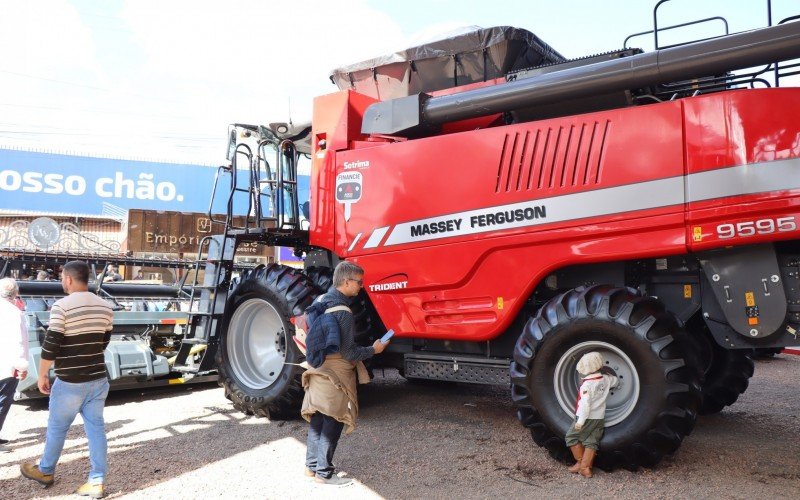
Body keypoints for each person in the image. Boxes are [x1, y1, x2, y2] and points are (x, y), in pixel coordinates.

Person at [20, 261, 114, 498]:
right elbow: (104, 341)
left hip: (71, 381)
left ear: (69, 279)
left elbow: (51, 345)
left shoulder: (61, 307)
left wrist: (42, 374)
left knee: (57, 428)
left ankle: (46, 471)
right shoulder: (105, 306)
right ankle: (96, 481)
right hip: (98, 378)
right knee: (96, 429)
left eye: (62, 277)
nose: (62, 281)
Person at [301, 261, 389, 487]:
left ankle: (311, 467)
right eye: (359, 282)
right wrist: (374, 349)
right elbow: (349, 352)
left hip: (317, 368)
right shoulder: (344, 312)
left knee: (318, 416)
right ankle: (324, 473)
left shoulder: (319, 301)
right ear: (347, 282)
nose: (361, 286)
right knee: (334, 418)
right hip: (336, 373)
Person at [565, 351, 619, 478]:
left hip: (586, 417)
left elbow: (584, 406)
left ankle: (580, 463)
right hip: (599, 418)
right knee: (591, 441)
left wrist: (580, 422)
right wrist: (610, 376)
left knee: (571, 437)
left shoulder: (586, 386)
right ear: (600, 366)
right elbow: (616, 381)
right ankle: (586, 469)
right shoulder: (606, 379)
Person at [0, 278, 29, 450]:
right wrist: (22, 366)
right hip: (7, 364)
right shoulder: (13, 312)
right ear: (15, 293)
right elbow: (19, 341)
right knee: (3, 400)